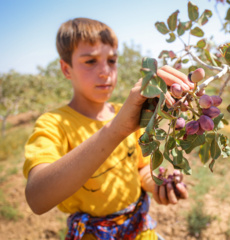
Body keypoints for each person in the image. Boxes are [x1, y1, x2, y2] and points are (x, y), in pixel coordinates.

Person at [23, 17, 193, 240]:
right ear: (66, 69)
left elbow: (140, 168)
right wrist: (115, 130)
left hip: (141, 230)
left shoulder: (125, 114)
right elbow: (37, 198)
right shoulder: (54, 123)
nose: (105, 72)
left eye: (112, 61)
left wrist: (159, 184)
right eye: (90, 61)